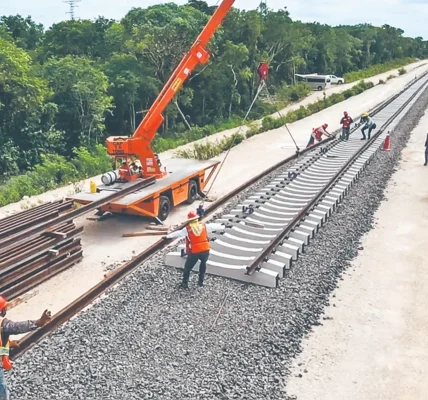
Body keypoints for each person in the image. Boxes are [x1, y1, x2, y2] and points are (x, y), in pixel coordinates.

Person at [0, 296, 51, 400]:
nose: (5, 310)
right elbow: (17, 327)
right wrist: (38, 322)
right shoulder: (3, 324)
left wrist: (9, 344)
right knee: (2, 389)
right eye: (4, 308)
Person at [163, 211, 226, 289]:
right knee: (203, 265)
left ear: (189, 220)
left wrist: (167, 236)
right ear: (197, 219)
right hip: (205, 249)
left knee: (187, 268)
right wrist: (222, 226)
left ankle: (184, 284)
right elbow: (214, 226)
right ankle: (200, 282)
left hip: (195, 251)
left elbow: (178, 233)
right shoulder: (204, 226)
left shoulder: (187, 229)